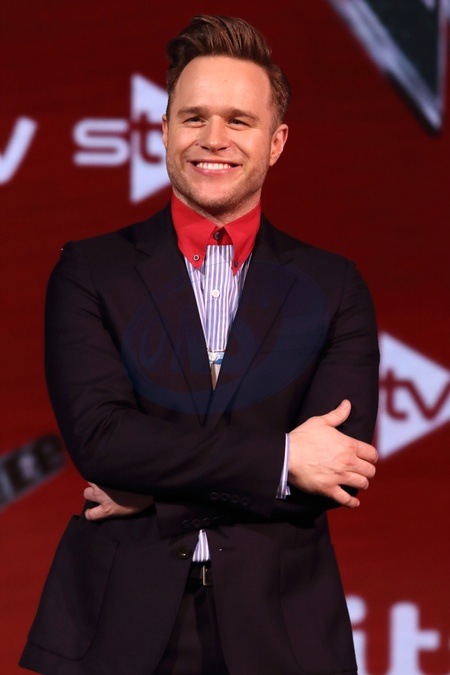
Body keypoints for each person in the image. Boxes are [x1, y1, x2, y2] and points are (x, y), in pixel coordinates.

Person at [20, 14, 379, 675]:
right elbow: (103, 441)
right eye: (194, 118)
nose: (214, 139)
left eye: (239, 120)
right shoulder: (89, 270)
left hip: (283, 634)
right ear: (163, 132)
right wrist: (281, 457)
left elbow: (334, 470)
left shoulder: (333, 285)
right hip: (117, 627)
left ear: (276, 141)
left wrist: (155, 493)